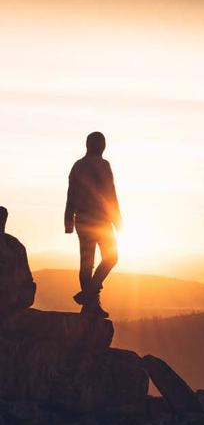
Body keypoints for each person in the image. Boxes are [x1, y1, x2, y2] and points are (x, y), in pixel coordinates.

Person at [64, 132, 122, 318]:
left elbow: (71, 194)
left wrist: (68, 221)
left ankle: (90, 304)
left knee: (86, 264)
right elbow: (110, 193)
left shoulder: (77, 166)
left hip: (82, 221)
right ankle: (89, 297)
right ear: (99, 146)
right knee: (111, 257)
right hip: (101, 221)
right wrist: (117, 219)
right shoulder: (103, 166)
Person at [0, 206, 36, 318]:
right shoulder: (15, 245)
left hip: (11, 302)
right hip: (15, 303)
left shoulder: (14, 245)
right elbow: (28, 283)